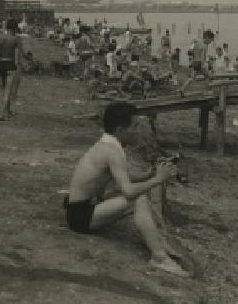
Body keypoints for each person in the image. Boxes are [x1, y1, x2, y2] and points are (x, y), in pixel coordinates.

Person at [64, 102, 188, 277]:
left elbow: (124, 179)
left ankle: (158, 241)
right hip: (80, 216)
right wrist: (159, 179)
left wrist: (150, 175)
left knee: (140, 193)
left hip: (85, 207)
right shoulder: (112, 151)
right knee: (138, 198)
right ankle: (159, 257)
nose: (138, 131)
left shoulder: (110, 145)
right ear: (120, 130)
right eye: (135, 126)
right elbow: (129, 192)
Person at [0, 18, 24, 120]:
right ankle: (2, 114)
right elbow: (21, 54)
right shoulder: (16, 39)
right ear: (15, 28)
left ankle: (8, 111)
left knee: (4, 90)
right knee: (8, 91)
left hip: (0, 64)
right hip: (10, 64)